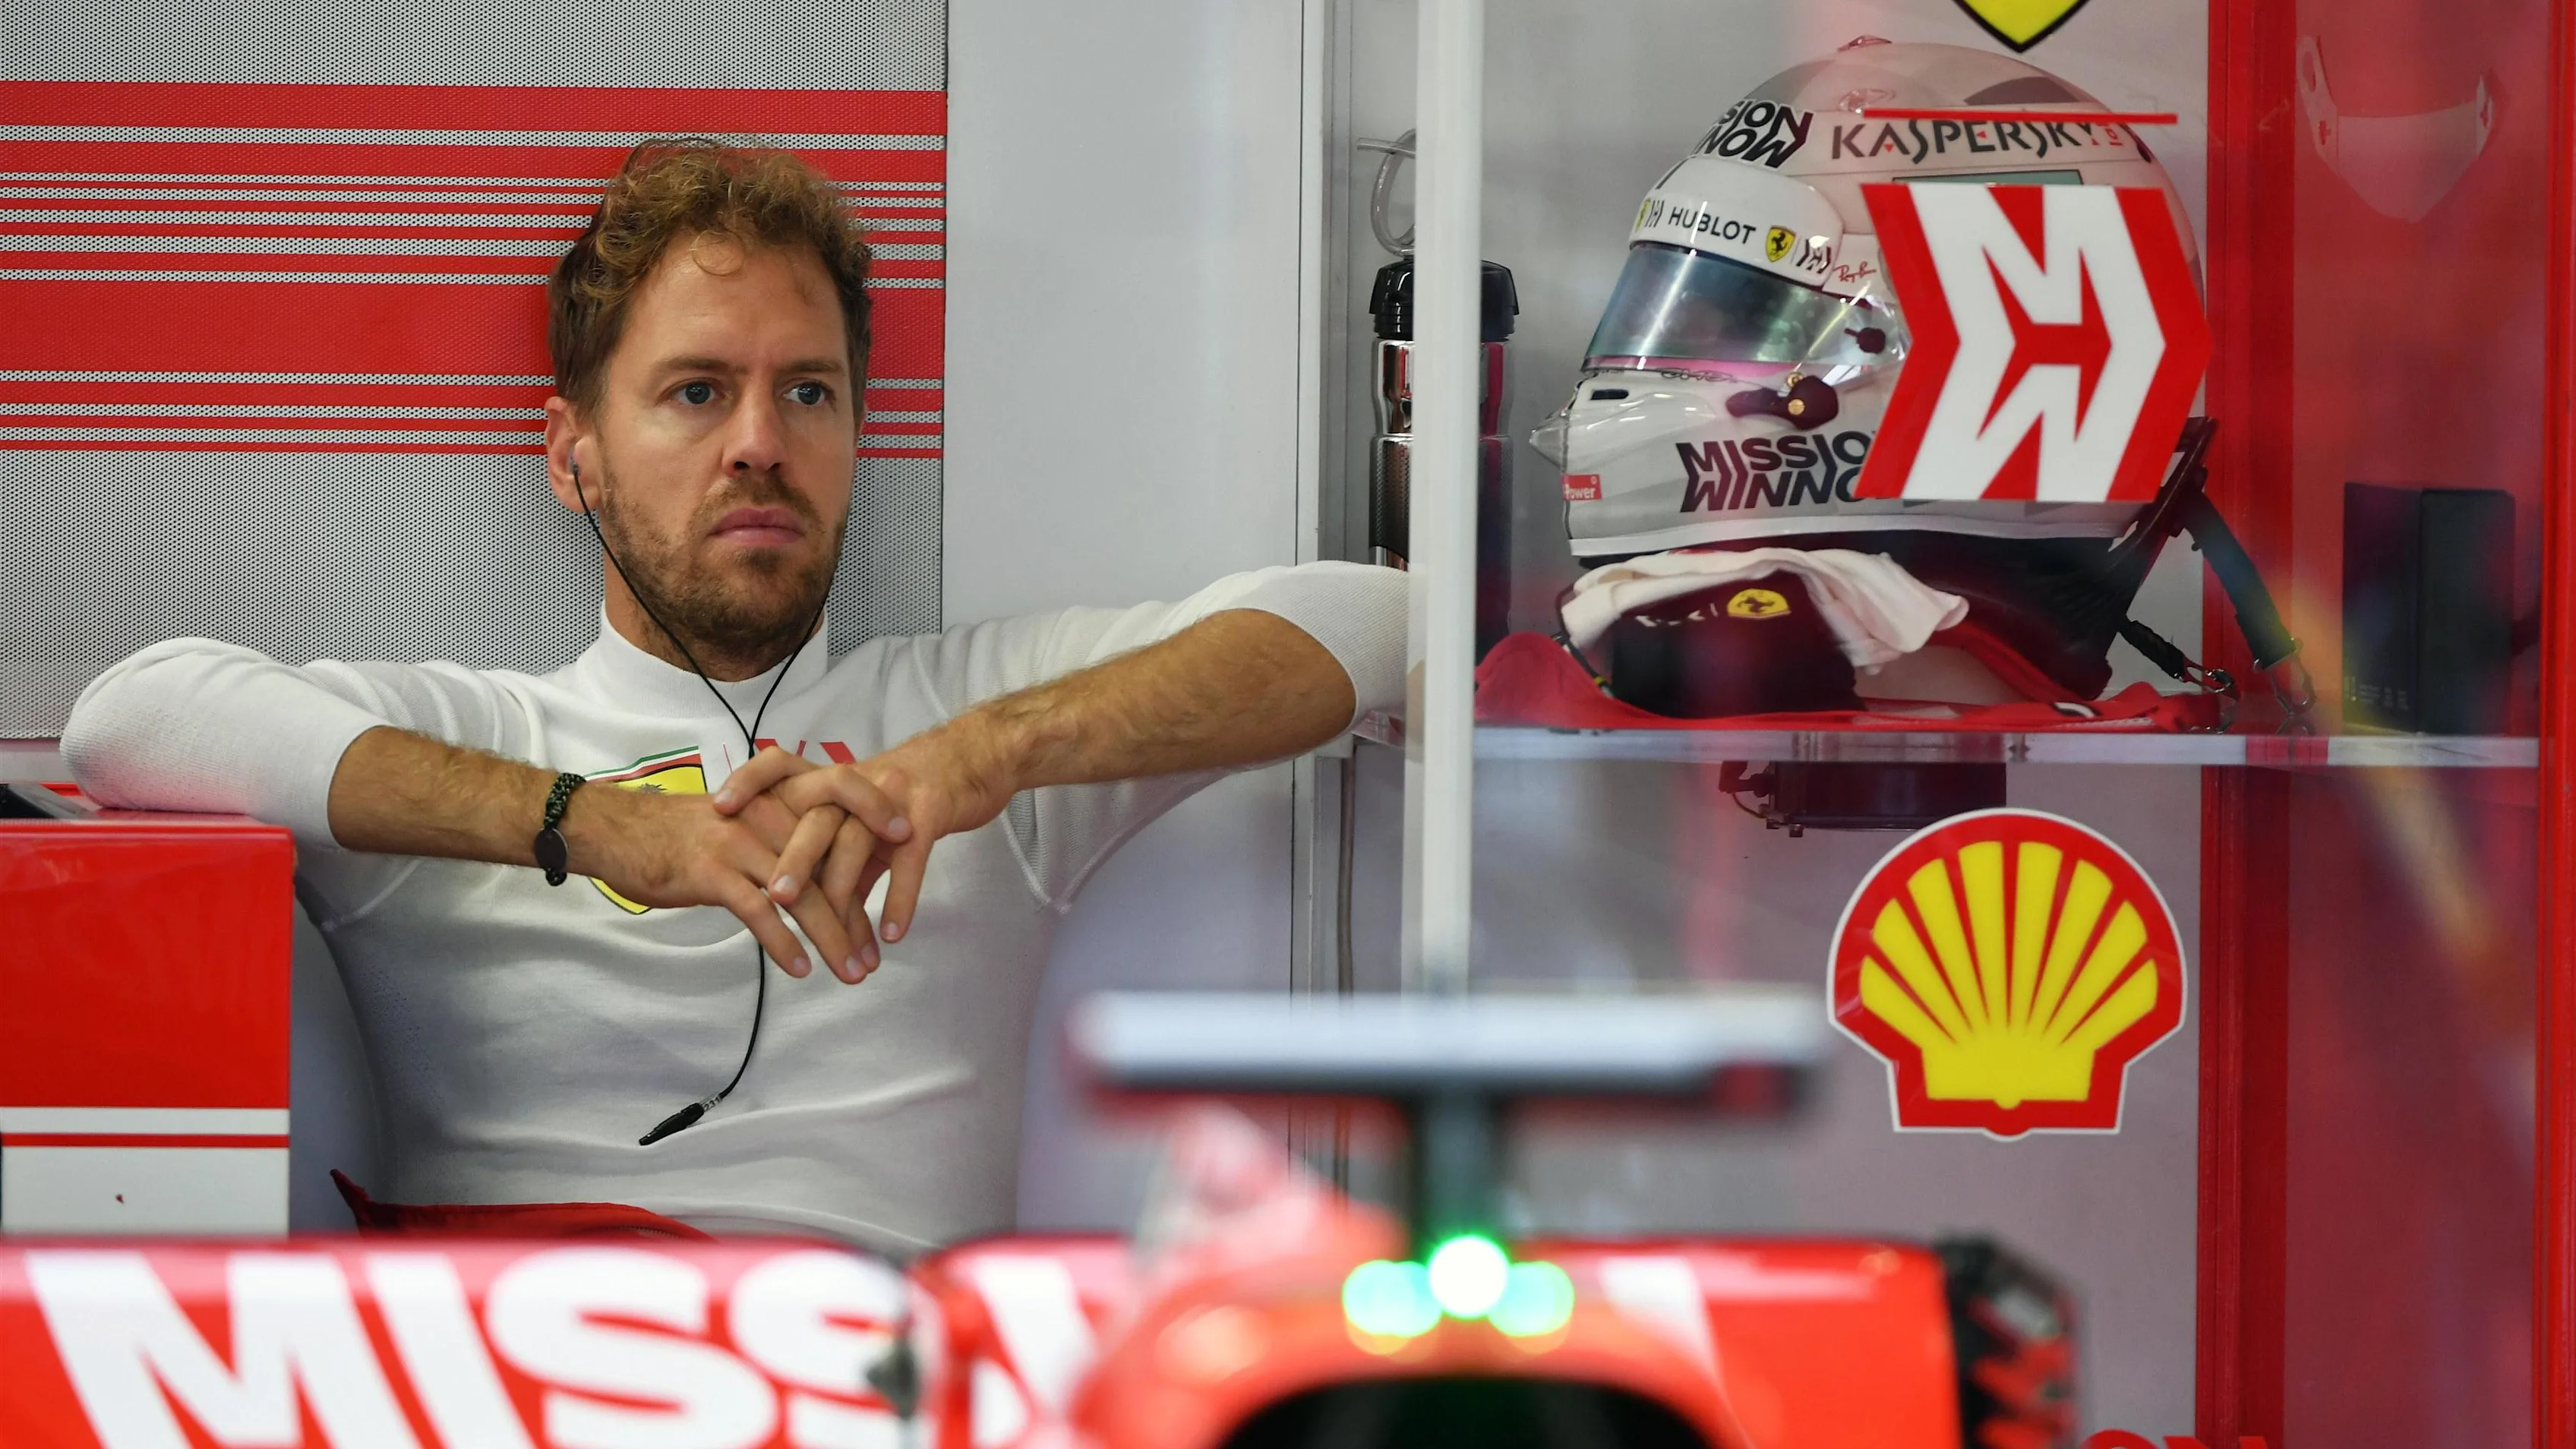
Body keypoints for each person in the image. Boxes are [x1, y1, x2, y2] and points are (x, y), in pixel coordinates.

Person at [61, 140, 1406, 1253]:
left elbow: (1389, 625)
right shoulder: (472, 741)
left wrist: (976, 761)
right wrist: (598, 826)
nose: (761, 444)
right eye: (697, 392)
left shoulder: (963, 707)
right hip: (524, 1378)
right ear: (572, 455)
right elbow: (132, 717)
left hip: (870, 1383)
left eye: (807, 392)